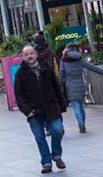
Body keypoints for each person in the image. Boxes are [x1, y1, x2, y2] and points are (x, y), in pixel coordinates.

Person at [14, 45, 67, 174]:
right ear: (23, 57)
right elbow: (19, 95)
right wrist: (27, 111)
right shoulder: (20, 73)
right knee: (39, 137)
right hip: (34, 111)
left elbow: (56, 87)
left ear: (36, 54)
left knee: (58, 131)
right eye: (26, 54)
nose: (29, 56)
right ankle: (46, 162)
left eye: (31, 53)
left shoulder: (46, 68)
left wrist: (62, 105)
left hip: (51, 108)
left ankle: (56, 154)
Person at [59, 44, 103, 133]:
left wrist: (58, 85)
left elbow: (61, 74)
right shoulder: (80, 59)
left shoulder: (63, 61)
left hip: (70, 86)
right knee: (81, 106)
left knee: (76, 107)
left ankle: (81, 124)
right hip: (81, 85)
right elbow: (92, 67)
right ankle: (83, 124)